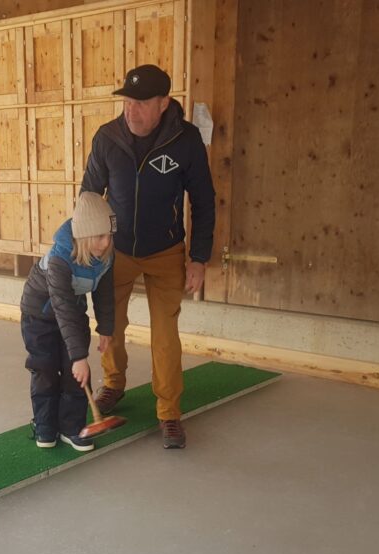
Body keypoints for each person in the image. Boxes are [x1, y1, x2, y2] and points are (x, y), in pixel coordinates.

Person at [81, 64, 215, 449]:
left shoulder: (186, 140)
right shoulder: (107, 138)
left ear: (163, 103)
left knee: (165, 334)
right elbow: (88, 196)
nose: (131, 110)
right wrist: (86, 248)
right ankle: (114, 383)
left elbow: (204, 201)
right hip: (117, 250)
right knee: (110, 324)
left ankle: (169, 412)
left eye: (141, 103)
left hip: (166, 251)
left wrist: (198, 258)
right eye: (127, 101)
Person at [20, 192, 117, 453]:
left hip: (71, 312)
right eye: (99, 236)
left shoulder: (106, 254)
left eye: (109, 235)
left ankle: (72, 428)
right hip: (39, 315)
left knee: (76, 375)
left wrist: (106, 328)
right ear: (83, 236)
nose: (106, 242)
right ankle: (44, 425)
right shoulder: (59, 259)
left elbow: (105, 292)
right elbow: (61, 305)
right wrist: (78, 356)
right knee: (45, 368)